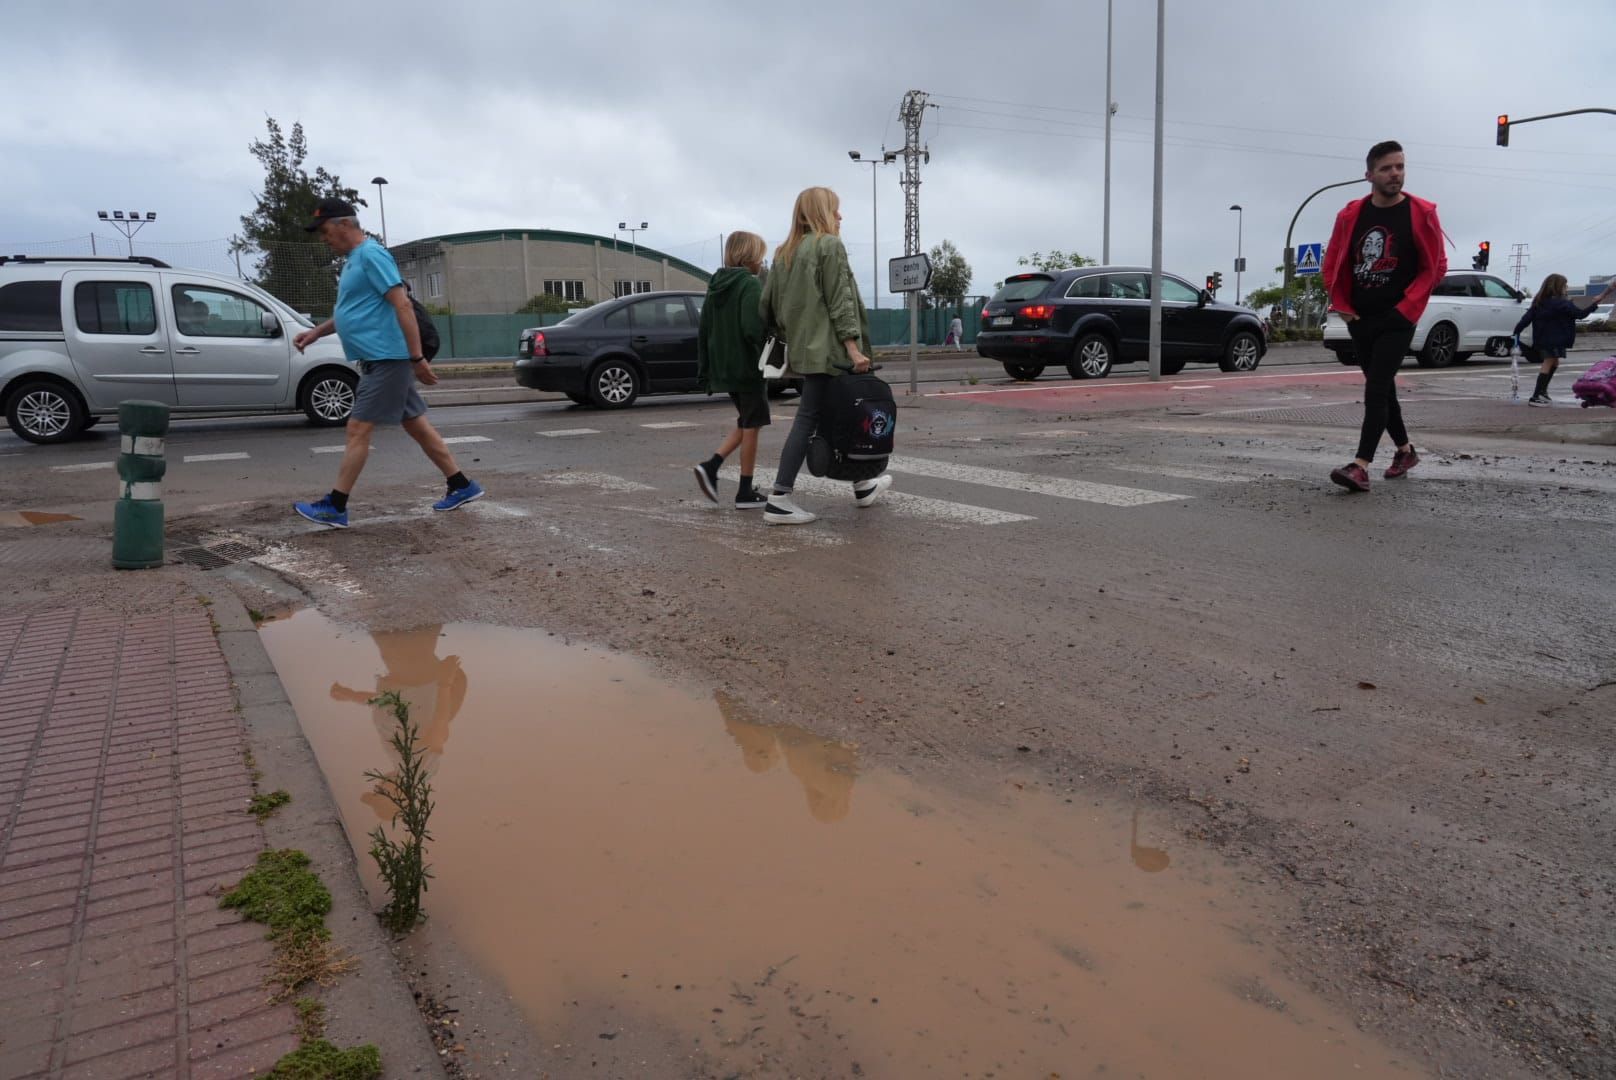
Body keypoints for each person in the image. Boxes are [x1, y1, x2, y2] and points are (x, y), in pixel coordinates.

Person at [290, 198, 484, 528]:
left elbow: (402, 305)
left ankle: (336, 506)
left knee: (357, 428)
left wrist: (416, 357)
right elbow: (354, 311)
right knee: (417, 426)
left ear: (344, 225)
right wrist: (317, 333)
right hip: (380, 358)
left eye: (325, 231)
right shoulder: (354, 260)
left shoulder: (371, 254)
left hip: (388, 358)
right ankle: (462, 485)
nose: (324, 238)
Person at [758, 187, 891, 525]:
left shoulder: (784, 253)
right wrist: (853, 348)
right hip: (832, 351)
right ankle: (780, 497)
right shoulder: (829, 246)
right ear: (821, 212)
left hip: (805, 351)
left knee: (834, 415)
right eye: (835, 210)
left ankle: (862, 485)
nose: (840, 216)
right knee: (819, 417)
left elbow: (768, 307)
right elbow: (840, 300)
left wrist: (797, 335)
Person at [1322, 140, 1447, 493]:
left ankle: (1360, 466)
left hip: (1397, 318)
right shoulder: (1350, 216)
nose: (1396, 174)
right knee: (1384, 390)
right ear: (1369, 175)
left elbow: (1435, 266)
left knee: (1375, 388)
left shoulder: (1420, 213)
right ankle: (1405, 451)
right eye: (1387, 168)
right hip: (1360, 318)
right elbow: (1332, 262)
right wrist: (1342, 305)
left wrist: (1407, 307)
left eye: (1400, 167)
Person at [693, 231, 770, 509]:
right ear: (750, 257)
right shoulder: (749, 285)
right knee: (752, 425)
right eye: (760, 255)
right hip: (747, 367)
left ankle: (712, 467)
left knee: (748, 420)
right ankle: (744, 491)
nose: (762, 262)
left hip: (724, 367)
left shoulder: (715, 287)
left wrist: (706, 371)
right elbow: (753, 328)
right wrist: (769, 350)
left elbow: (703, 332)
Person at [1514, 274, 1616, 406]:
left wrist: (1516, 332)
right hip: (1556, 339)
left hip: (1542, 338)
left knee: (1554, 362)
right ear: (1558, 287)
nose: (1566, 288)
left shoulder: (1539, 302)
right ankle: (1536, 396)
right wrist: (1596, 303)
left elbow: (1526, 319)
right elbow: (1580, 315)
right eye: (1565, 285)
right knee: (1548, 362)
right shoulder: (1562, 303)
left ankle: (1542, 392)